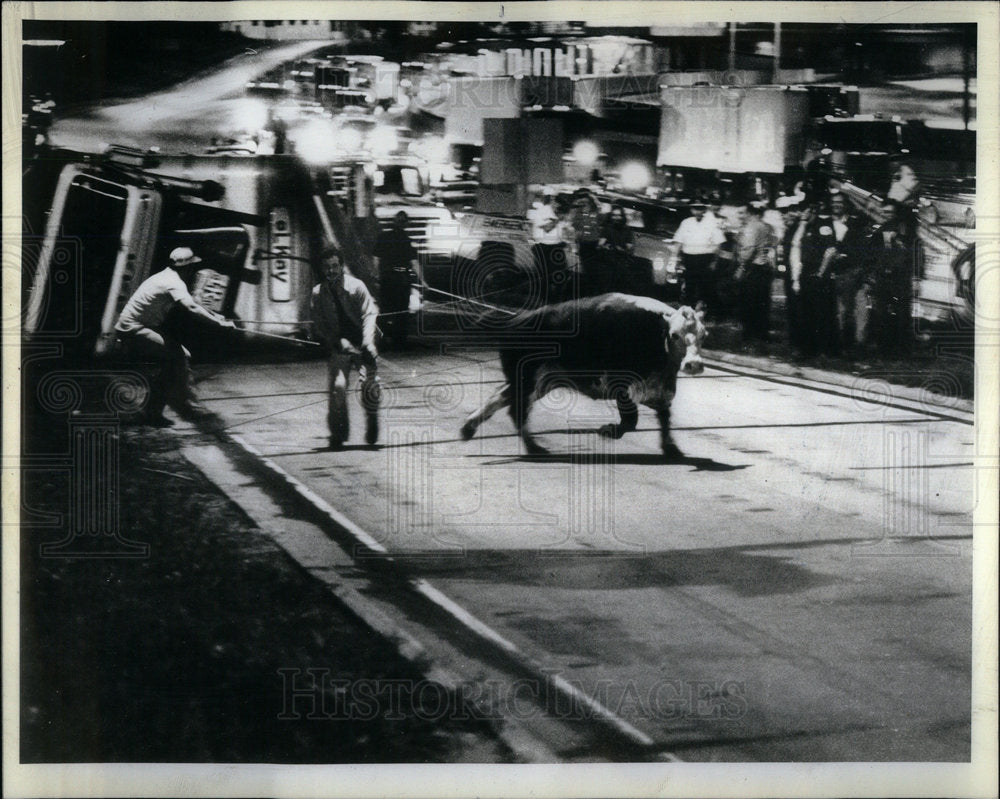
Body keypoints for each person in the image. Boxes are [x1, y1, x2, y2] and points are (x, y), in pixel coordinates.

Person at [115, 247, 235, 426]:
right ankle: (168, 406)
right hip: (133, 328)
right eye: (192, 266)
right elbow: (192, 308)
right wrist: (220, 324)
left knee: (173, 361)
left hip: (135, 326)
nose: (193, 269)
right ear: (185, 267)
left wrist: (217, 317)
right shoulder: (173, 282)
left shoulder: (165, 276)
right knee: (178, 357)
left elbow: (193, 303)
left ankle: (157, 408)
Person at [310, 246, 381, 449]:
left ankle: (372, 418)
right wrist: (334, 340)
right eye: (327, 267)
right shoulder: (317, 294)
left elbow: (370, 314)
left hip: (363, 344)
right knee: (338, 388)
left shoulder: (357, 287)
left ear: (341, 266)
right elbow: (319, 324)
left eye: (335, 266)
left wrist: (368, 341)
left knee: (370, 387)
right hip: (340, 348)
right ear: (322, 269)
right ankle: (338, 433)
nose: (331, 271)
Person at [866, 200, 919, 356]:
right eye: (885, 212)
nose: (887, 215)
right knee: (881, 313)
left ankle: (903, 349)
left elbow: (915, 254)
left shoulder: (906, 232)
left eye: (890, 212)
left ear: (895, 214)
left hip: (901, 279)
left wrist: (916, 277)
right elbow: (871, 255)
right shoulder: (878, 232)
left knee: (903, 314)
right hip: (882, 278)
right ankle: (884, 348)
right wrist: (872, 274)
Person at [797, 200, 839, 357]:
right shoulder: (807, 226)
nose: (803, 214)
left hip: (819, 275)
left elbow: (830, 251)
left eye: (806, 211)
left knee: (822, 313)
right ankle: (809, 349)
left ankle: (825, 350)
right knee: (808, 312)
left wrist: (821, 273)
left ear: (812, 211)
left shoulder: (824, 225)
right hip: (807, 272)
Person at [827, 192, 867, 355]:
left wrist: (847, 256)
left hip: (849, 271)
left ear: (845, 205)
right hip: (831, 271)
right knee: (837, 310)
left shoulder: (854, 223)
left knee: (849, 310)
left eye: (840, 202)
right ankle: (838, 343)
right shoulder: (826, 223)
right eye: (834, 202)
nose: (837, 205)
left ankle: (851, 344)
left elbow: (860, 247)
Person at [373, 211, 419, 349]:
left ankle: (381, 338)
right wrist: (424, 281)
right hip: (402, 278)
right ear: (406, 224)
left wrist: (376, 274)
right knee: (402, 310)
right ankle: (399, 340)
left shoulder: (383, 237)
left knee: (386, 309)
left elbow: (376, 258)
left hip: (387, 278)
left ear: (393, 222)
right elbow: (414, 263)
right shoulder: (406, 240)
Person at [734, 203, 775, 342]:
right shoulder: (766, 226)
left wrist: (742, 268)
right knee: (762, 302)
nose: (742, 216)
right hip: (764, 267)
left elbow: (749, 249)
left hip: (753, 267)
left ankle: (749, 333)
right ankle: (762, 332)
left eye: (744, 213)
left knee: (749, 301)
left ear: (751, 213)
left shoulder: (752, 227)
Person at [673, 201, 725, 310]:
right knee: (689, 286)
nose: (697, 211)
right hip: (689, 259)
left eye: (700, 208)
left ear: (704, 210)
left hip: (705, 259)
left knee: (705, 287)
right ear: (691, 209)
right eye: (695, 208)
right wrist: (675, 258)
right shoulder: (686, 222)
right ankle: (688, 311)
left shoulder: (712, 223)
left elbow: (719, 244)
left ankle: (706, 313)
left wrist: (715, 262)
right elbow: (678, 241)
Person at [527, 188, 568, 305]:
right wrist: (558, 219)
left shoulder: (560, 211)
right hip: (543, 247)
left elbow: (563, 230)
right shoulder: (542, 211)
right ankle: (542, 303)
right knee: (543, 277)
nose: (558, 209)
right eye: (557, 206)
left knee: (561, 275)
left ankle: (556, 301)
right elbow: (547, 228)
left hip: (556, 246)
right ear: (554, 202)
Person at [569, 190, 603, 296]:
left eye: (586, 202)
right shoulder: (578, 214)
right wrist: (575, 242)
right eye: (582, 203)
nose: (583, 204)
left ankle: (594, 291)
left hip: (595, 245)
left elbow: (601, 226)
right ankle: (587, 291)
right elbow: (575, 228)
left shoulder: (597, 213)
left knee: (594, 269)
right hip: (583, 244)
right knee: (585, 268)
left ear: (590, 202)